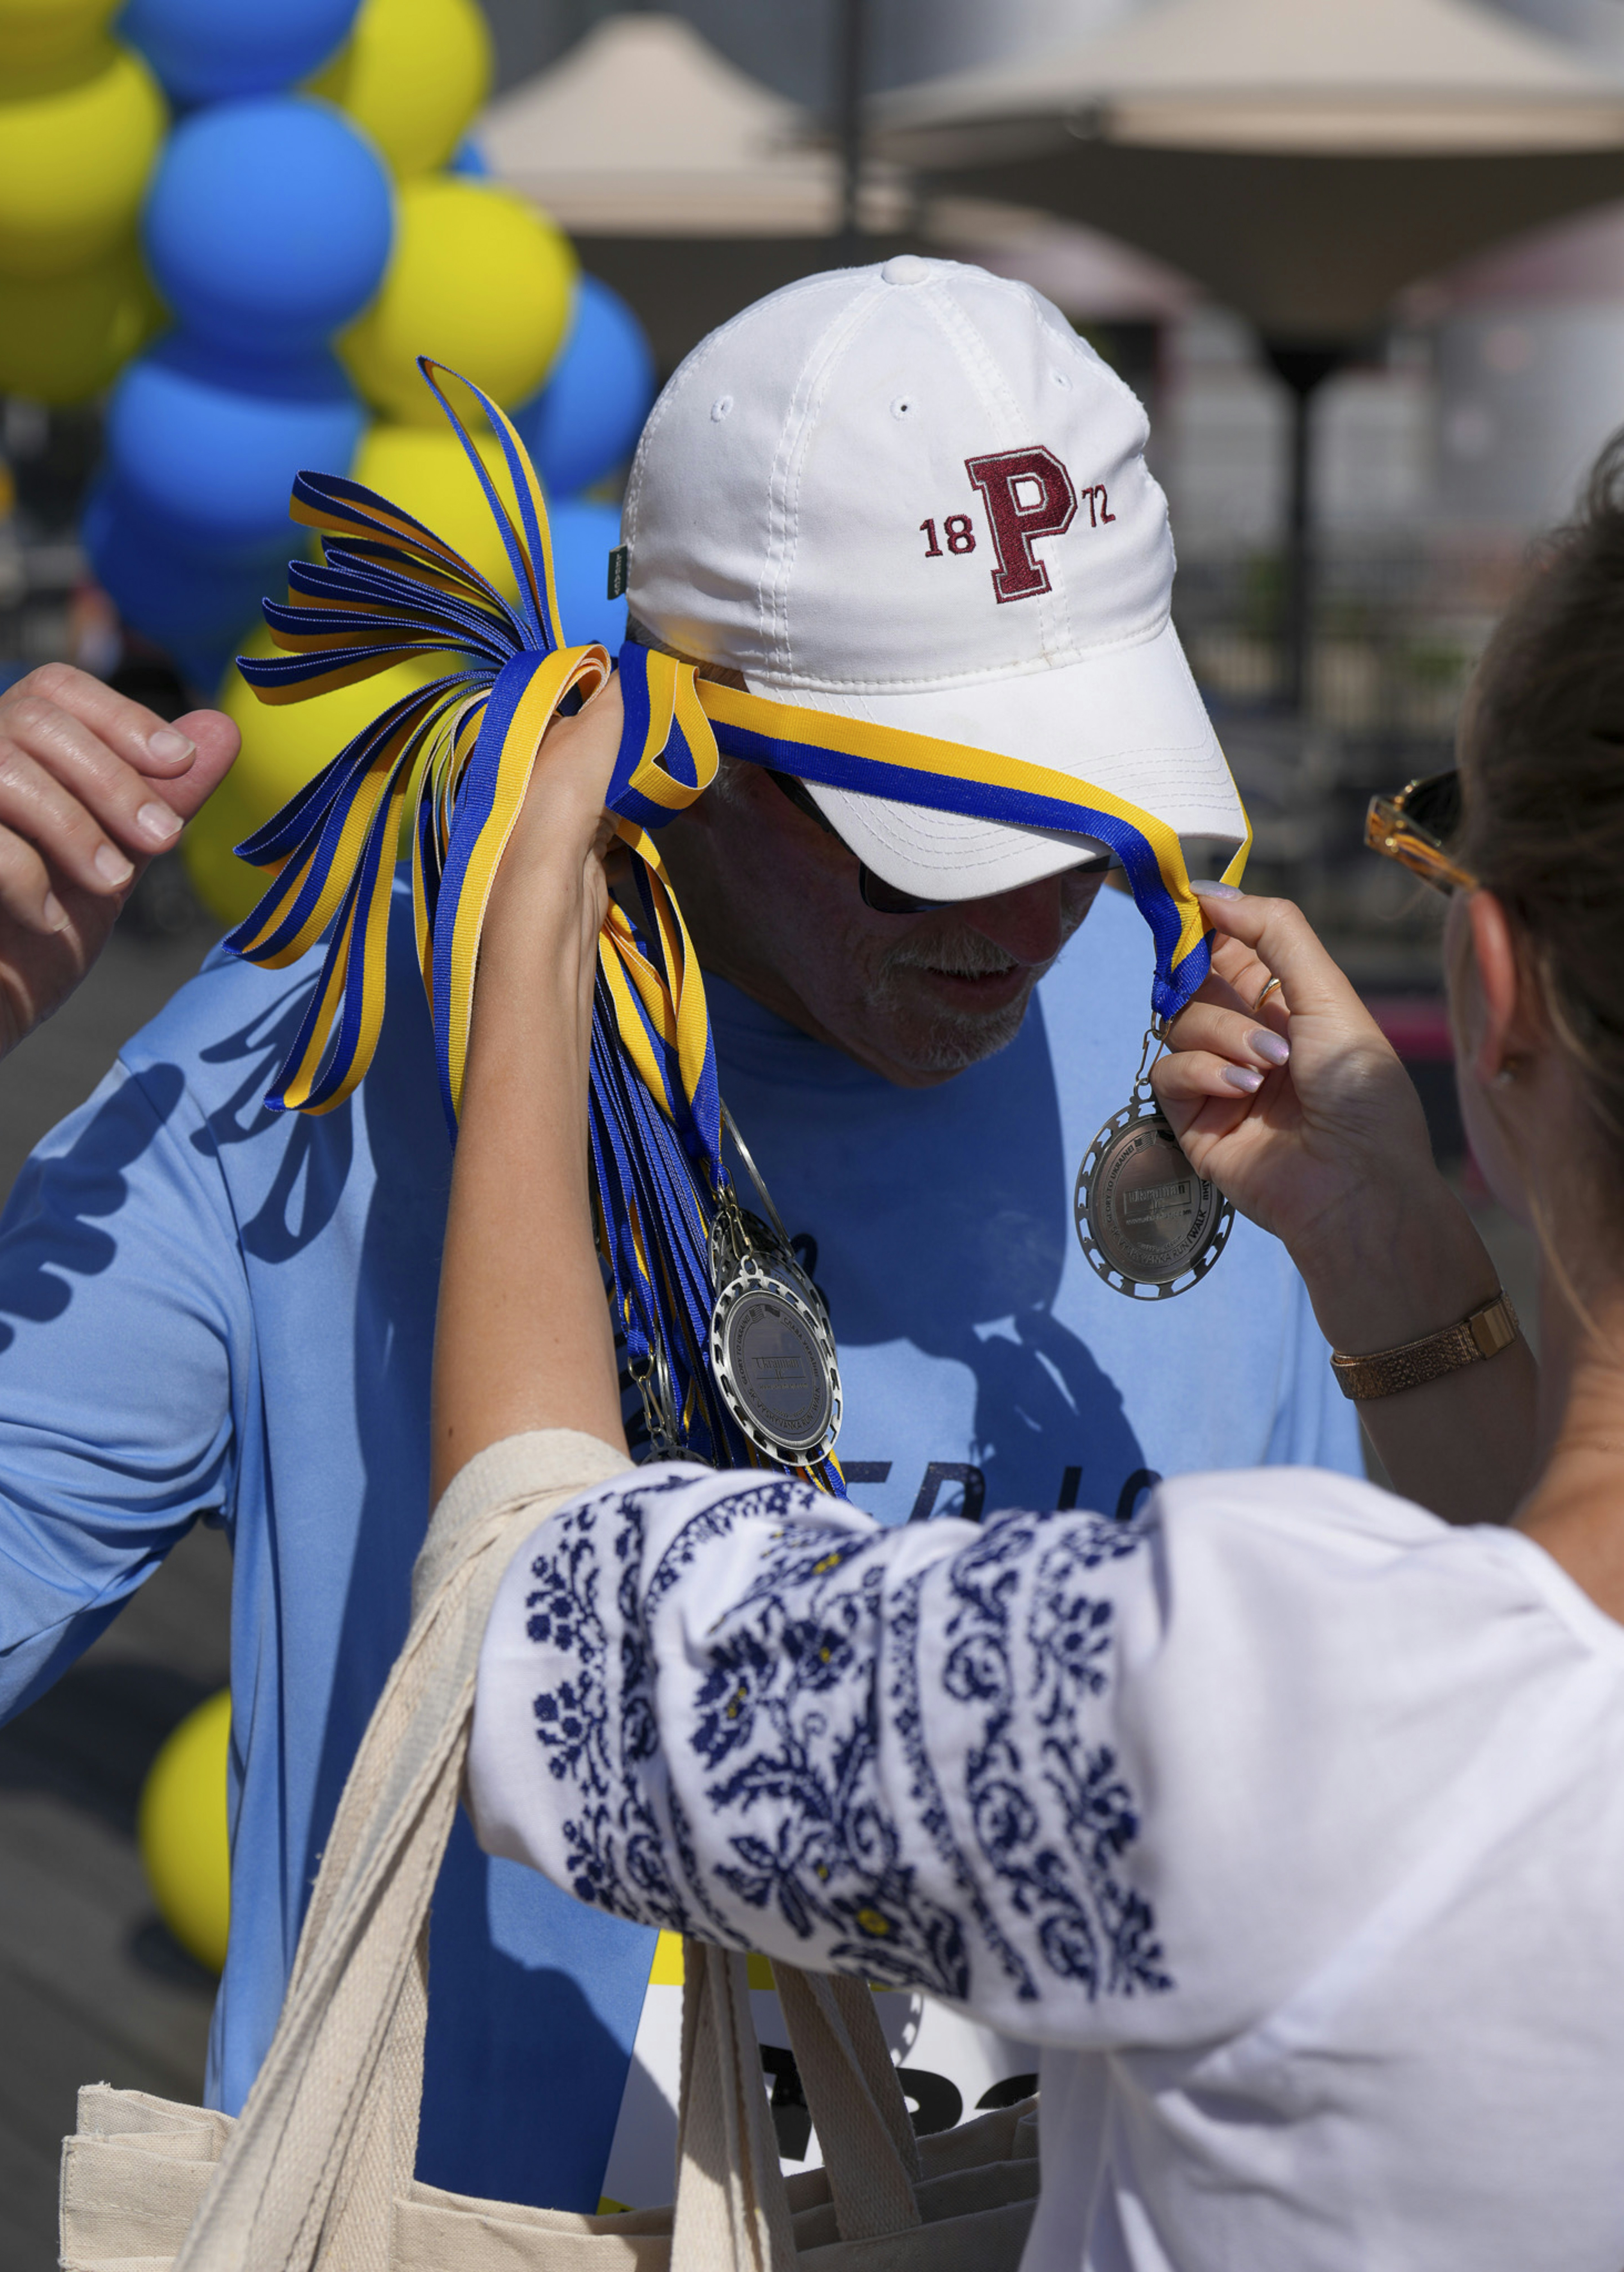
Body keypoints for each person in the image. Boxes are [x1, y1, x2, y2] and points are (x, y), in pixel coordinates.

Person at [0, 262, 1366, 2211]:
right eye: (920, 832)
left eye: (1091, 806)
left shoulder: (1221, 1080)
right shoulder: (321, 1057)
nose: (1030, 917)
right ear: (671, 738)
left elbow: (1350, 1783)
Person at [435, 445, 1624, 2268]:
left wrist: (533, 936)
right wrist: (1396, 1275)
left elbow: (543, 1633)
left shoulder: (1258, 1708)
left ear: (1491, 986)